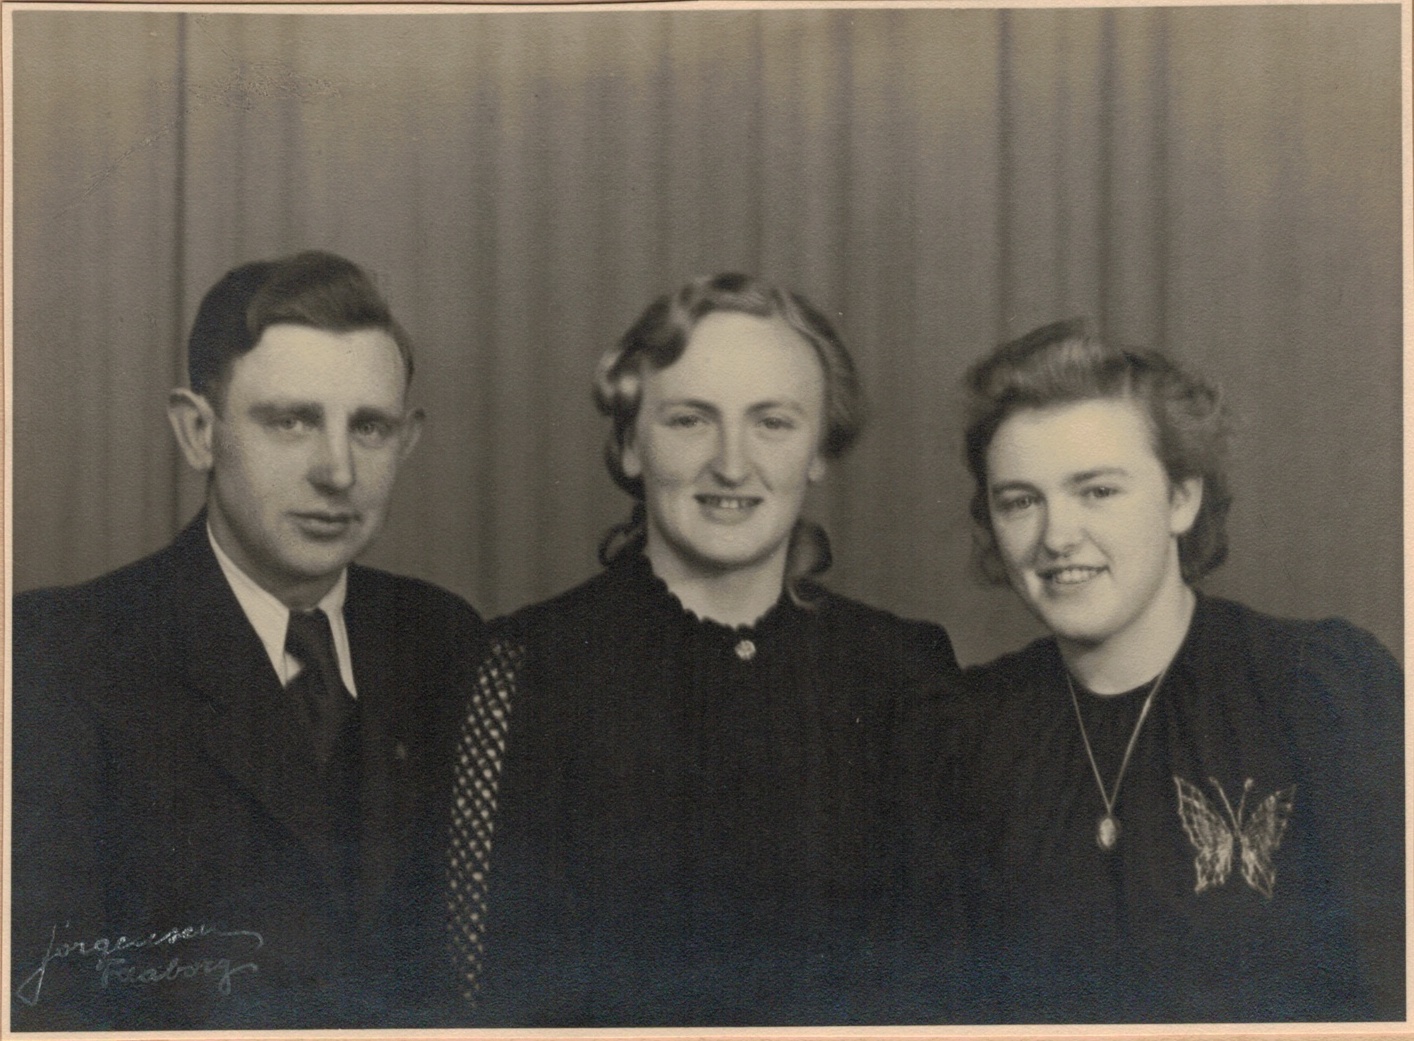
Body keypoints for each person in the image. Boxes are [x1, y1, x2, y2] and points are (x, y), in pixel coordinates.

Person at [447, 272, 958, 1025]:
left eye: (773, 423)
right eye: (690, 420)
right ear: (630, 443)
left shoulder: (906, 672)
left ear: (819, 447)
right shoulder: (519, 668)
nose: (732, 464)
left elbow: (943, 991)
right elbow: (479, 993)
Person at [10, 251, 486, 1029]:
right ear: (199, 431)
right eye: (291, 421)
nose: (338, 471)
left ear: (407, 441)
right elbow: (46, 1007)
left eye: (369, 427)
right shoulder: (61, 654)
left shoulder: (444, 640)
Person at [905, 318, 1404, 1022]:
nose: (1057, 537)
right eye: (1020, 501)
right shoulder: (966, 730)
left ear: (1181, 498)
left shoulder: (1315, 689)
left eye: (1098, 491)